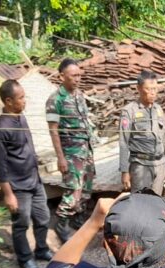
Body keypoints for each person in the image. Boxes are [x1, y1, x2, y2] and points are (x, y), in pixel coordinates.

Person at [0, 79, 53, 268]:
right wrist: (9, 194)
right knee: (21, 223)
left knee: (43, 218)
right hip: (18, 186)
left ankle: (41, 249)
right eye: (21, 98)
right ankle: (25, 258)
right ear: (8, 101)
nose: (25, 101)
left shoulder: (20, 117)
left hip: (35, 180)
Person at [46, 58, 95, 242]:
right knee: (73, 191)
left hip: (86, 150)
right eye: (73, 76)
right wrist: (61, 158)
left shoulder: (79, 95)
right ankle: (61, 223)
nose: (77, 79)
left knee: (87, 188)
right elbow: (53, 130)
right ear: (62, 76)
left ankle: (78, 218)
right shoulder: (55, 100)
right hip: (71, 152)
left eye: (79, 75)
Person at [119, 69, 165, 195]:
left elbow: (164, 138)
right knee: (140, 202)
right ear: (139, 88)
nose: (153, 93)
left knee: (156, 202)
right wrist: (125, 171)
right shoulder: (129, 111)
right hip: (141, 165)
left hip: (160, 164)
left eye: (155, 89)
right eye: (148, 89)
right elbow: (123, 142)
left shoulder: (158, 110)